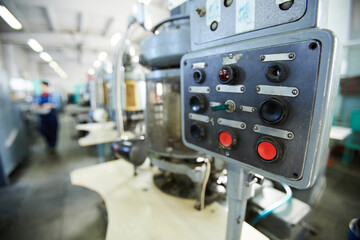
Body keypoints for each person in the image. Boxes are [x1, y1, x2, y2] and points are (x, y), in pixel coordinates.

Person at [35, 81, 60, 154]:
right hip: (42, 116)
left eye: (44, 86)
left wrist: (50, 105)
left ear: (47, 87)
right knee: (44, 131)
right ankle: (49, 144)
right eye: (41, 87)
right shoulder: (39, 96)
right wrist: (41, 106)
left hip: (51, 115)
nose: (43, 88)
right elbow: (35, 104)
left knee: (53, 131)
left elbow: (57, 105)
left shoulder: (53, 95)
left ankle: (52, 145)